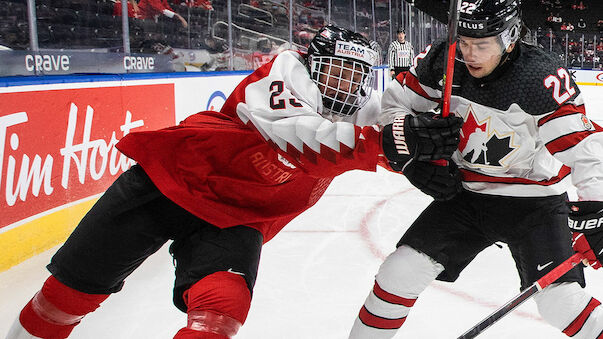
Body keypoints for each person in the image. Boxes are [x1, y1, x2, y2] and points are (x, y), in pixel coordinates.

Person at [6, 25, 461, 339]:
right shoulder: (284, 73)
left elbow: (389, 120)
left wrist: (421, 95)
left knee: (221, 310)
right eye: (340, 69)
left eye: (358, 74)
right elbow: (304, 140)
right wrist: (391, 144)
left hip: (239, 218)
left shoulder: (355, 111)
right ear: (314, 63)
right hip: (169, 185)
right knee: (65, 299)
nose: (350, 82)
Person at [349, 0, 603, 338]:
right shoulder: (442, 57)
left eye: (482, 45)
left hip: (535, 204)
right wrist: (411, 157)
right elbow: (395, 107)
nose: (469, 54)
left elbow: (587, 150)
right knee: (399, 272)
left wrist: (598, 210)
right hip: (465, 196)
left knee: (561, 304)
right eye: (464, 42)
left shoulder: (538, 77)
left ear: (510, 37)